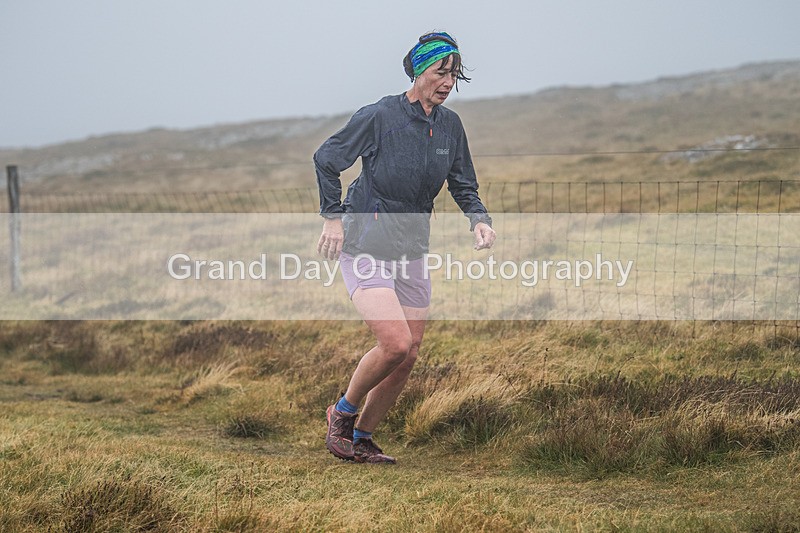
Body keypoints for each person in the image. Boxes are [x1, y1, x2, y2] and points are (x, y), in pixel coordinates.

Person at [314, 31, 496, 464]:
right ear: (419, 71)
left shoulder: (450, 126)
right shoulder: (380, 116)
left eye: (454, 75)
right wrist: (332, 217)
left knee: (409, 354)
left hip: (411, 248)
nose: (448, 83)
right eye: (440, 72)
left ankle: (363, 437)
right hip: (365, 242)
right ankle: (341, 415)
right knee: (394, 343)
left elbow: (463, 182)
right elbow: (326, 158)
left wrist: (479, 219)